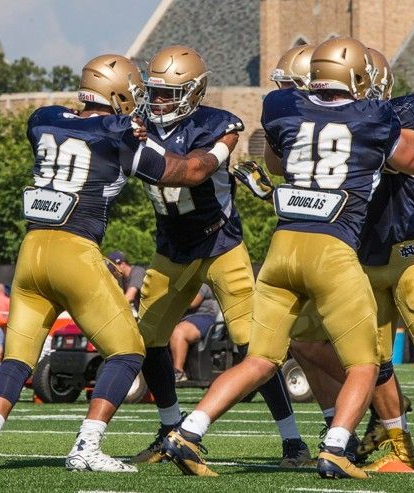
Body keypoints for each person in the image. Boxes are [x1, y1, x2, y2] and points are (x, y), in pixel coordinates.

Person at [163, 37, 414, 480]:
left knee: (259, 360)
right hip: (332, 253)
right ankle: (336, 446)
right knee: (365, 364)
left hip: (281, 252)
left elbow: (276, 164)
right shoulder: (375, 116)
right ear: (355, 77)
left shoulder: (281, 106)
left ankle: (187, 432)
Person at [0, 52, 235, 474]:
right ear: (122, 93)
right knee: (128, 351)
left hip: (31, 252)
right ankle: (87, 446)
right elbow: (181, 173)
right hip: (75, 252)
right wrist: (217, 151)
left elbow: (72, 125)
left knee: (17, 358)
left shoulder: (43, 119)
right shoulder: (120, 132)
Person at [279, 48, 414, 471]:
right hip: (361, 258)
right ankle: (402, 450)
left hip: (408, 253)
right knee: (375, 360)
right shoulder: (338, 121)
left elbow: (412, 156)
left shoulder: (407, 109)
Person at [130, 45, 308, 468]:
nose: (157, 101)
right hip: (170, 249)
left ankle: (292, 441)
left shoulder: (219, 124)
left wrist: (137, 147)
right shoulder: (136, 125)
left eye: (168, 94)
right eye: (153, 92)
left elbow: (193, 170)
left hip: (220, 245)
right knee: (148, 339)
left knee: (254, 346)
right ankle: (168, 429)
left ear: (193, 92)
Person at [168, 285, 219, 382]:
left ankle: (178, 372)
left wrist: (170, 300)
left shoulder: (201, 284)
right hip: (181, 320)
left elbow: (192, 302)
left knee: (179, 332)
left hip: (202, 318)